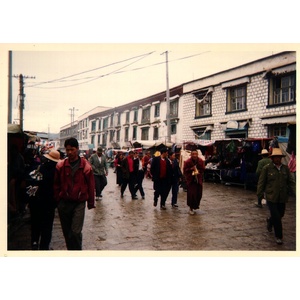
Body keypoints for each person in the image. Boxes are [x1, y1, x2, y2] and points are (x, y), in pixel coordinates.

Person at [54, 137, 95, 250]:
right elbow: (56, 185)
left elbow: (91, 186)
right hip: (64, 203)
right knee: (67, 233)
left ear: (77, 149)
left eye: (72, 149)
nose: (70, 152)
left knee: (76, 232)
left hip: (79, 203)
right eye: (67, 150)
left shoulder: (86, 167)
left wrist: (90, 202)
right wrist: (58, 200)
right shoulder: (61, 166)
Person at [257, 148, 296, 245]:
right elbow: (261, 182)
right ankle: (279, 236)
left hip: (282, 197)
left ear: (281, 158)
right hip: (271, 197)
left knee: (281, 214)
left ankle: (270, 221)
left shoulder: (285, 169)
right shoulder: (267, 168)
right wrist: (260, 195)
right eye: (276, 157)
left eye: (279, 157)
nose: (278, 159)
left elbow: (291, 182)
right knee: (277, 217)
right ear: (272, 158)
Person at [27, 149, 60, 250]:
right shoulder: (57, 172)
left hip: (35, 203)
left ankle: (34, 242)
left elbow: (30, 182)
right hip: (49, 204)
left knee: (35, 224)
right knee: (47, 228)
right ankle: (44, 247)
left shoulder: (38, 168)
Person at [183, 150, 205, 215]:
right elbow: (185, 170)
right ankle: (191, 208)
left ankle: (195, 206)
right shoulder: (187, 162)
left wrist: (198, 171)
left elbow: (203, 169)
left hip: (198, 180)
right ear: (191, 155)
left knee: (198, 194)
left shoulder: (200, 161)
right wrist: (191, 169)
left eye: (196, 154)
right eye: (193, 154)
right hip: (191, 181)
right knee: (191, 195)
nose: (194, 155)